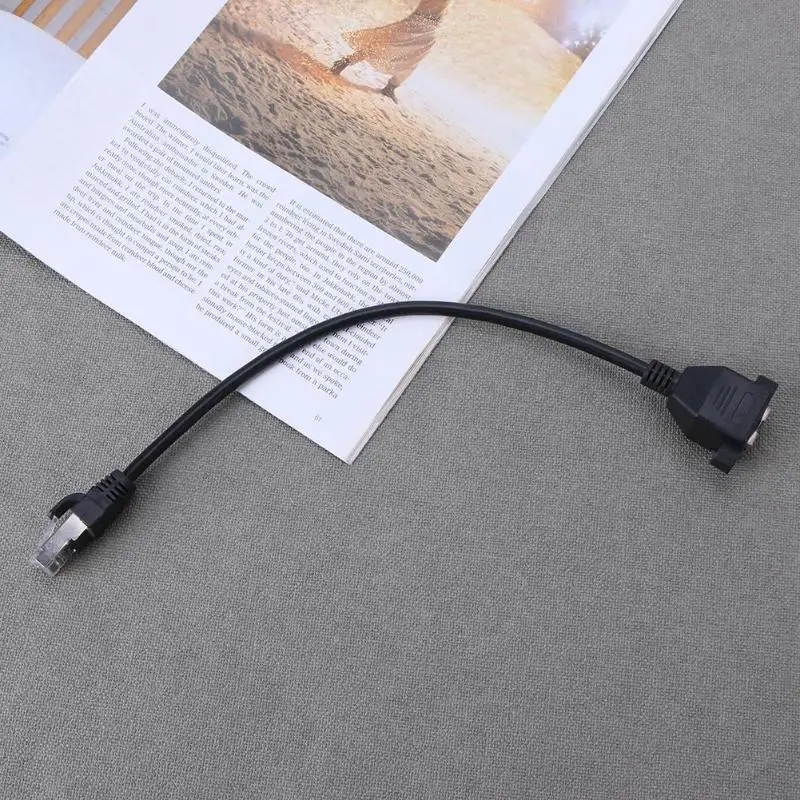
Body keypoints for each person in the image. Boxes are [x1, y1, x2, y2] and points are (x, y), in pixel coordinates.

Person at [330, 0, 452, 102]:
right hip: (417, 23)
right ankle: (345, 62)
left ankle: (391, 87)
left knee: (412, 60)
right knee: (382, 45)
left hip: (429, 31)